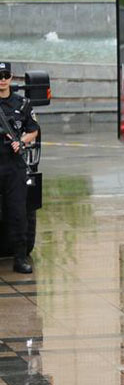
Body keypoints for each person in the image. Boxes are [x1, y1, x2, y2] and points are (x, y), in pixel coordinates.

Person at [0, 62, 39, 274]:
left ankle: (20, 258)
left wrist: (21, 142)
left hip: (14, 165)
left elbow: (33, 130)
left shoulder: (22, 104)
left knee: (18, 213)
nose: (2, 79)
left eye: (6, 75)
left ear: (11, 76)